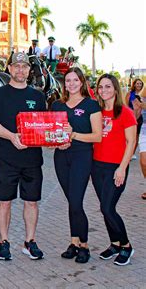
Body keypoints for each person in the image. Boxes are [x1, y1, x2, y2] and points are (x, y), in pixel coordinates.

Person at [0, 52, 47, 261]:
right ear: (9, 69)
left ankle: (30, 242)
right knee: (4, 202)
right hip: (6, 159)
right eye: (16, 66)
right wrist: (12, 136)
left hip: (32, 160)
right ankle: (3, 242)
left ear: (29, 71)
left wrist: (60, 137)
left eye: (25, 67)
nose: (20, 70)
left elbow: (45, 126)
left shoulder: (38, 97)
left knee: (31, 202)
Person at [51, 67, 102, 263]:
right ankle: (73, 242)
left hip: (82, 156)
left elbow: (96, 136)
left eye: (75, 80)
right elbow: (51, 133)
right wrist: (57, 141)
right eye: (68, 80)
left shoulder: (91, 105)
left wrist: (73, 135)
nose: (71, 84)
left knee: (76, 201)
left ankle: (84, 246)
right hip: (61, 157)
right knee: (71, 201)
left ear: (82, 82)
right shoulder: (57, 105)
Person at [92, 73, 136, 266]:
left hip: (115, 167)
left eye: (108, 86)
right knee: (105, 208)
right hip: (97, 166)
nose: (104, 90)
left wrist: (122, 168)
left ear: (115, 89)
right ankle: (114, 243)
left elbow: (131, 141)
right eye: (101, 87)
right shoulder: (97, 111)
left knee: (107, 208)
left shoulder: (125, 112)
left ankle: (126, 246)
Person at [124, 78, 143, 159]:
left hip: (140, 117)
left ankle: (132, 153)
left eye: (140, 84)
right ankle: (126, 152)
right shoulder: (130, 93)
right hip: (131, 117)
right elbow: (126, 105)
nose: (139, 85)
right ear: (134, 84)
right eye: (137, 83)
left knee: (136, 136)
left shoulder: (143, 94)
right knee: (128, 136)